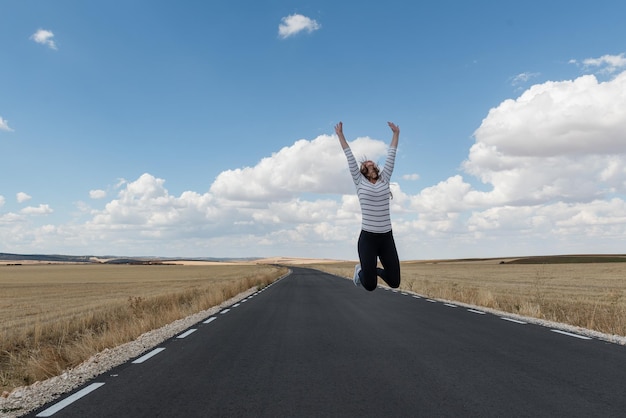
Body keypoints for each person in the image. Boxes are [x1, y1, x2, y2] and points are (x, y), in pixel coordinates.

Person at [335, 121, 401, 291]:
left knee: (394, 281)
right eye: (365, 163)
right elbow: (349, 155)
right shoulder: (359, 181)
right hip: (368, 238)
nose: (369, 162)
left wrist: (395, 134)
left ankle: (372, 270)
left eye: (371, 162)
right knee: (370, 285)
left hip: (386, 237)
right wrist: (340, 135)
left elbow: (391, 154)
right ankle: (362, 271)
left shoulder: (384, 178)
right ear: (362, 169)